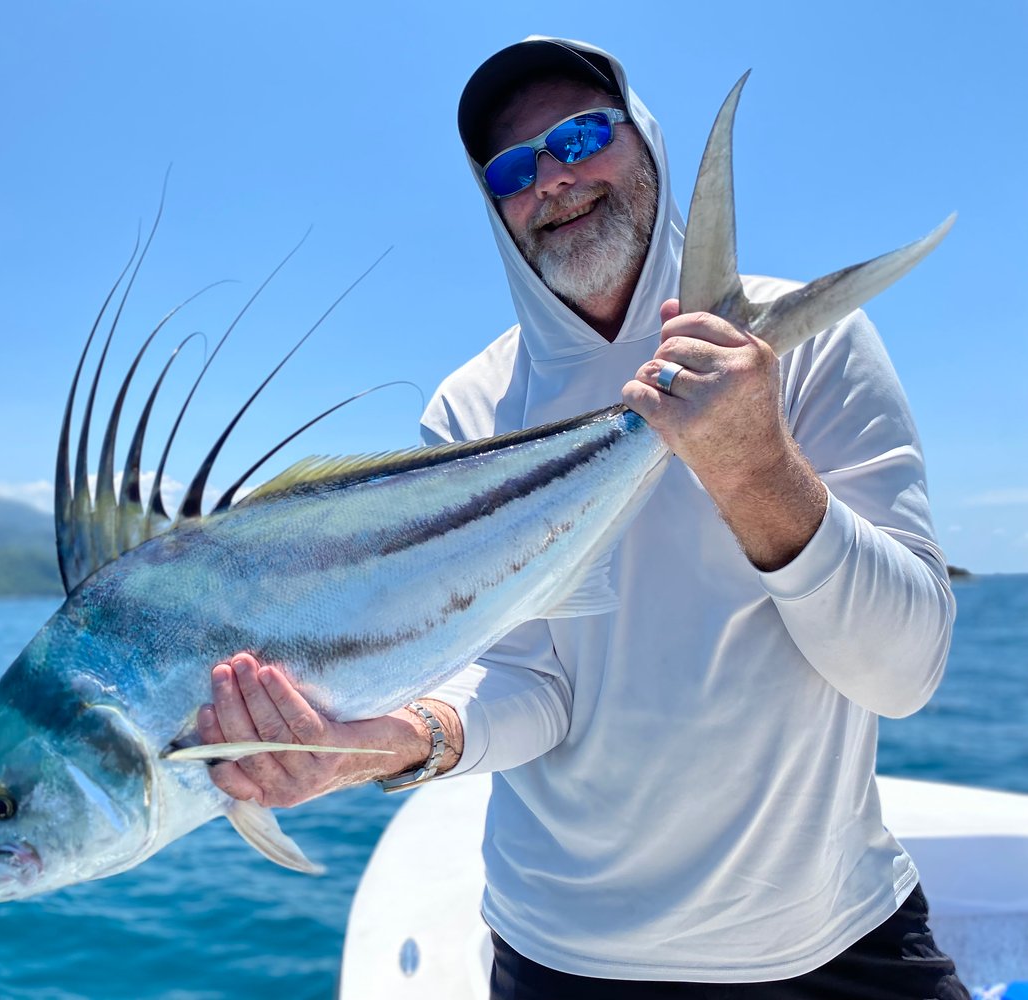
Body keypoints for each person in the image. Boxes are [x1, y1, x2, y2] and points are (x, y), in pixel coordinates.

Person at [197, 36, 966, 997]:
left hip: (831, 940)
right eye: (512, 169)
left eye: (581, 135)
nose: (550, 180)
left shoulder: (805, 344)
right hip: (564, 956)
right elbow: (532, 683)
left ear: (643, 138)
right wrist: (397, 740)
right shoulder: (471, 409)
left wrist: (753, 466)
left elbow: (903, 673)